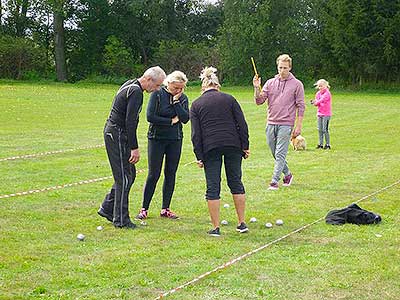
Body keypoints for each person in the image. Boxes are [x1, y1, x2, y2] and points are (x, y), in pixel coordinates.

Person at [98, 66, 166, 229]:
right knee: (124, 177)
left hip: (114, 132)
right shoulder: (135, 92)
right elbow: (130, 122)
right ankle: (121, 220)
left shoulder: (130, 84)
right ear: (149, 80)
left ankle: (108, 208)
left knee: (130, 173)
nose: (157, 90)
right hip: (117, 133)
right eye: (157, 86)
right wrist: (134, 148)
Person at [190, 66, 250, 237]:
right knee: (236, 182)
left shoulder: (196, 104)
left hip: (210, 148)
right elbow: (242, 124)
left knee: (213, 187)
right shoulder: (230, 99)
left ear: (203, 87)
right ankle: (241, 223)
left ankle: (216, 228)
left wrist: (199, 156)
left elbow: (196, 134)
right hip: (233, 145)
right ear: (218, 85)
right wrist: (245, 146)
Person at [135, 71, 189, 220]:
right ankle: (144, 208)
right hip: (156, 138)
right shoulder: (157, 95)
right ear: (168, 83)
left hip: (175, 139)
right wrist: (170, 121)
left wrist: (177, 102)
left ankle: (165, 208)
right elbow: (150, 116)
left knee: (170, 173)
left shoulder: (183, 98)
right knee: (154, 174)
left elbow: (185, 118)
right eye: (175, 88)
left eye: (181, 88)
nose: (178, 91)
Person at [253, 54, 305, 190]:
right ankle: (287, 174)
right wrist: (257, 87)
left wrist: (298, 126)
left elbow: (301, 106)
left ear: (290, 68)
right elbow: (259, 101)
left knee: (280, 152)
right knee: (274, 152)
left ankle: (274, 181)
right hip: (271, 122)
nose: (282, 70)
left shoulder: (297, 84)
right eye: (280, 67)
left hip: (286, 124)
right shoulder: (270, 83)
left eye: (285, 68)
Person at [311, 79, 332, 149]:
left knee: (324, 129)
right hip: (319, 113)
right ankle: (320, 144)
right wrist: (314, 103)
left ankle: (328, 144)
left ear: (326, 86)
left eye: (321, 86)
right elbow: (317, 103)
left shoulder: (327, 93)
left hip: (326, 114)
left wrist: (315, 102)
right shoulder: (318, 94)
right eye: (319, 86)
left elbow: (321, 100)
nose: (320, 88)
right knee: (319, 129)